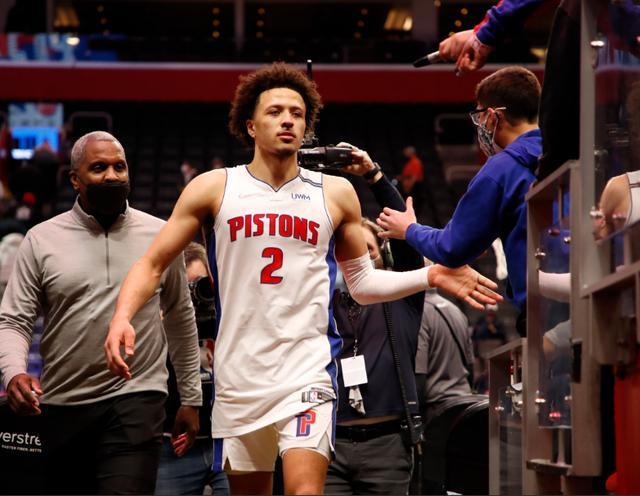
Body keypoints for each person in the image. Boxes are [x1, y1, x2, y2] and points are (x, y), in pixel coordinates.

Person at [103, 62, 502, 496]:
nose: (288, 120)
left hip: (307, 373)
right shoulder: (214, 187)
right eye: (275, 112)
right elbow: (153, 264)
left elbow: (362, 284)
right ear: (250, 125)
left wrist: (431, 274)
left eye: (297, 113)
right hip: (239, 377)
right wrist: (122, 316)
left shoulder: (335, 192)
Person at [0, 131, 202, 495]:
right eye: (98, 168)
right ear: (75, 179)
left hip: (137, 398)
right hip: (63, 403)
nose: (112, 175)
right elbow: (15, 319)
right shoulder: (41, 239)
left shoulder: (161, 235)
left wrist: (190, 397)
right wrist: (14, 371)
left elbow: (179, 316)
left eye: (119, 167)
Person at [377, 66, 542, 336]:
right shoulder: (565, 153)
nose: (480, 126)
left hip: (541, 311)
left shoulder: (501, 169)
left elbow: (452, 248)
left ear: (493, 116)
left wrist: (408, 229)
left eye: (480, 115)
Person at [324, 144, 424, 495]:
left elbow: (405, 234)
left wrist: (373, 175)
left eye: (367, 250)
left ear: (383, 254)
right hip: (327, 443)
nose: (360, 260)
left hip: (387, 445)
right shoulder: (321, 301)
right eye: (349, 252)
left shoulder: (401, 293)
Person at [436, 0, 579, 180]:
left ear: (493, 116)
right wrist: (482, 34)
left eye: (480, 116)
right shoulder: (560, 153)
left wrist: (482, 35)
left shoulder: (497, 170)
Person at [156, 241, 230, 496]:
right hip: (174, 445)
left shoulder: (229, 320)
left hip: (226, 441)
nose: (195, 297)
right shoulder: (158, 324)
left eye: (202, 285)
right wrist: (166, 323)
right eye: (185, 290)